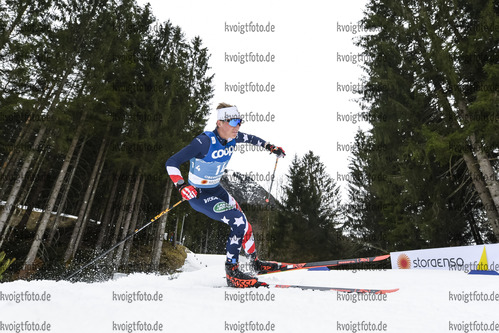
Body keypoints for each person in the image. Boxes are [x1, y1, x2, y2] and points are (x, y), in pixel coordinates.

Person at [165, 103, 285, 288]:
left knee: (245, 224)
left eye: (240, 122)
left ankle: (255, 264)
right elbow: (172, 162)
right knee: (237, 219)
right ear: (220, 122)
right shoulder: (204, 142)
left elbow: (252, 139)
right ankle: (232, 272)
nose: (238, 126)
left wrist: (270, 146)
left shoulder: (233, 138)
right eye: (234, 122)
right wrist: (181, 186)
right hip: (199, 194)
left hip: (216, 189)